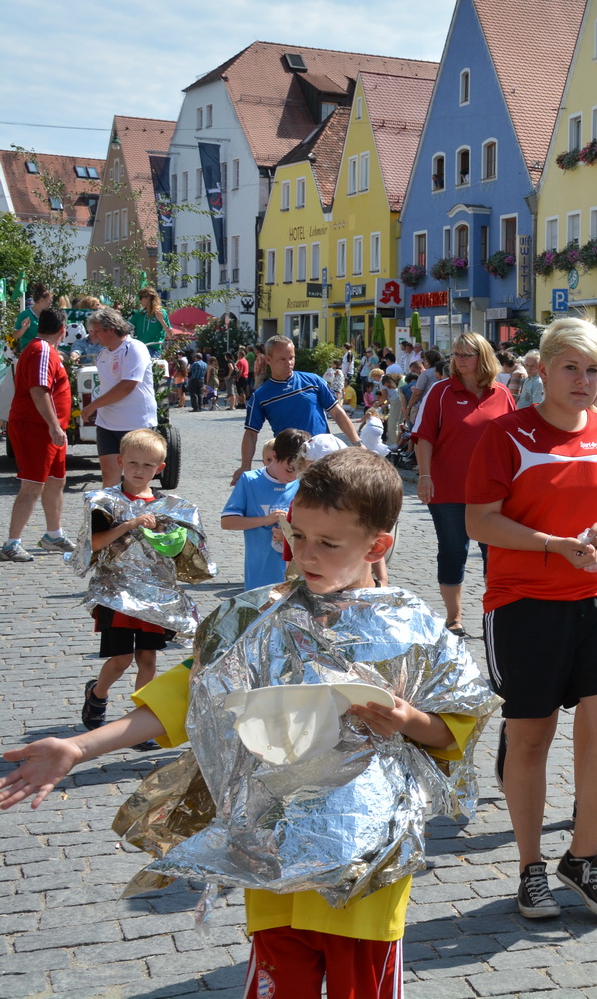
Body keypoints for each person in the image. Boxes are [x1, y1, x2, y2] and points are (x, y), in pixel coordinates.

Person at [3, 447, 490, 999]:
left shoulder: (416, 629)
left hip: (366, 863)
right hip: (271, 849)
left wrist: (405, 719)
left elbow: (456, 726)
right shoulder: (255, 617)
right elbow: (188, 697)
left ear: (377, 546)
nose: (304, 552)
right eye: (297, 534)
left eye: (328, 544)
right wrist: (78, 749)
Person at [467, 317, 597, 922]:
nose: (583, 380)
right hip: (524, 601)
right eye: (571, 367)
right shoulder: (506, 433)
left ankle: (583, 858)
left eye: (594, 369)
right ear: (542, 369)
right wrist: (551, 542)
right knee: (531, 737)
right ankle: (529, 868)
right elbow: (480, 520)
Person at [71, 428, 202, 738]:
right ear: (120, 462)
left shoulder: (169, 507)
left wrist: (176, 539)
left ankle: (138, 726)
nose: (139, 471)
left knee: (147, 659)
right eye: (133, 464)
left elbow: (185, 551)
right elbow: (94, 543)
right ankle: (98, 694)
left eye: (147, 466)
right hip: (116, 594)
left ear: (160, 469)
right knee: (120, 660)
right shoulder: (104, 502)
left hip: (155, 596)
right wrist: (128, 525)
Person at [411, 332, 515, 638]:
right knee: (453, 550)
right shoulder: (441, 391)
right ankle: (453, 618)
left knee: (494, 553)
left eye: (466, 354)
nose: (458, 360)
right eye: (456, 354)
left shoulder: (502, 394)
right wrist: (425, 475)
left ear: (482, 357)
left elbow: (513, 440)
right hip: (448, 488)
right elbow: (424, 436)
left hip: (492, 492)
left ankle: (493, 614)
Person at [235, 336, 361, 486]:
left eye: (291, 358)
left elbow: (337, 413)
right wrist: (245, 466)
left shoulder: (313, 381)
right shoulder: (261, 396)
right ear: (268, 359)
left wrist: (357, 443)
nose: (289, 363)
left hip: (323, 456)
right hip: (290, 464)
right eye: (282, 359)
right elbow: (250, 433)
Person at [2, 308, 72, 562]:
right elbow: (38, 389)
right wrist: (54, 426)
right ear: (63, 330)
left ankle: (54, 534)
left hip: (47, 427)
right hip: (37, 427)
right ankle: (12, 543)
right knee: (32, 485)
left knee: (56, 480)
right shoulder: (42, 350)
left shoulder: (42, 349)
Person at [221, 428, 309, 590]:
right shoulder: (250, 481)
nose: (293, 476)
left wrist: (290, 535)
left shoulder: (303, 483)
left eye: (299, 471)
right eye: (289, 470)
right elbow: (227, 522)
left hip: (297, 576)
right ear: (274, 457)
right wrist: (266, 520)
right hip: (260, 575)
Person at [84, 307, 159, 490]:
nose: (93, 337)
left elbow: (127, 386)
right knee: (109, 474)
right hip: (107, 423)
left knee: (137, 477)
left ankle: (139, 516)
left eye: (96, 332)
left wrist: (93, 405)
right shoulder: (102, 354)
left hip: (135, 422)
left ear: (110, 329)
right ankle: (112, 516)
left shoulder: (135, 349)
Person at [128, 289, 170, 356]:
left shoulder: (161, 313)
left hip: (153, 349)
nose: (139, 300)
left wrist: (161, 321)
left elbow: (170, 335)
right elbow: (127, 326)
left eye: (141, 298)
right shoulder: (139, 313)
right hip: (140, 348)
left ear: (148, 298)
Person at [11, 283, 51, 352]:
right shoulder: (25, 315)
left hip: (44, 348)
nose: (51, 303)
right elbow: (15, 336)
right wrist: (23, 329)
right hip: (30, 350)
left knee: (66, 356)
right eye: (50, 300)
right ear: (41, 300)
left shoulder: (47, 315)